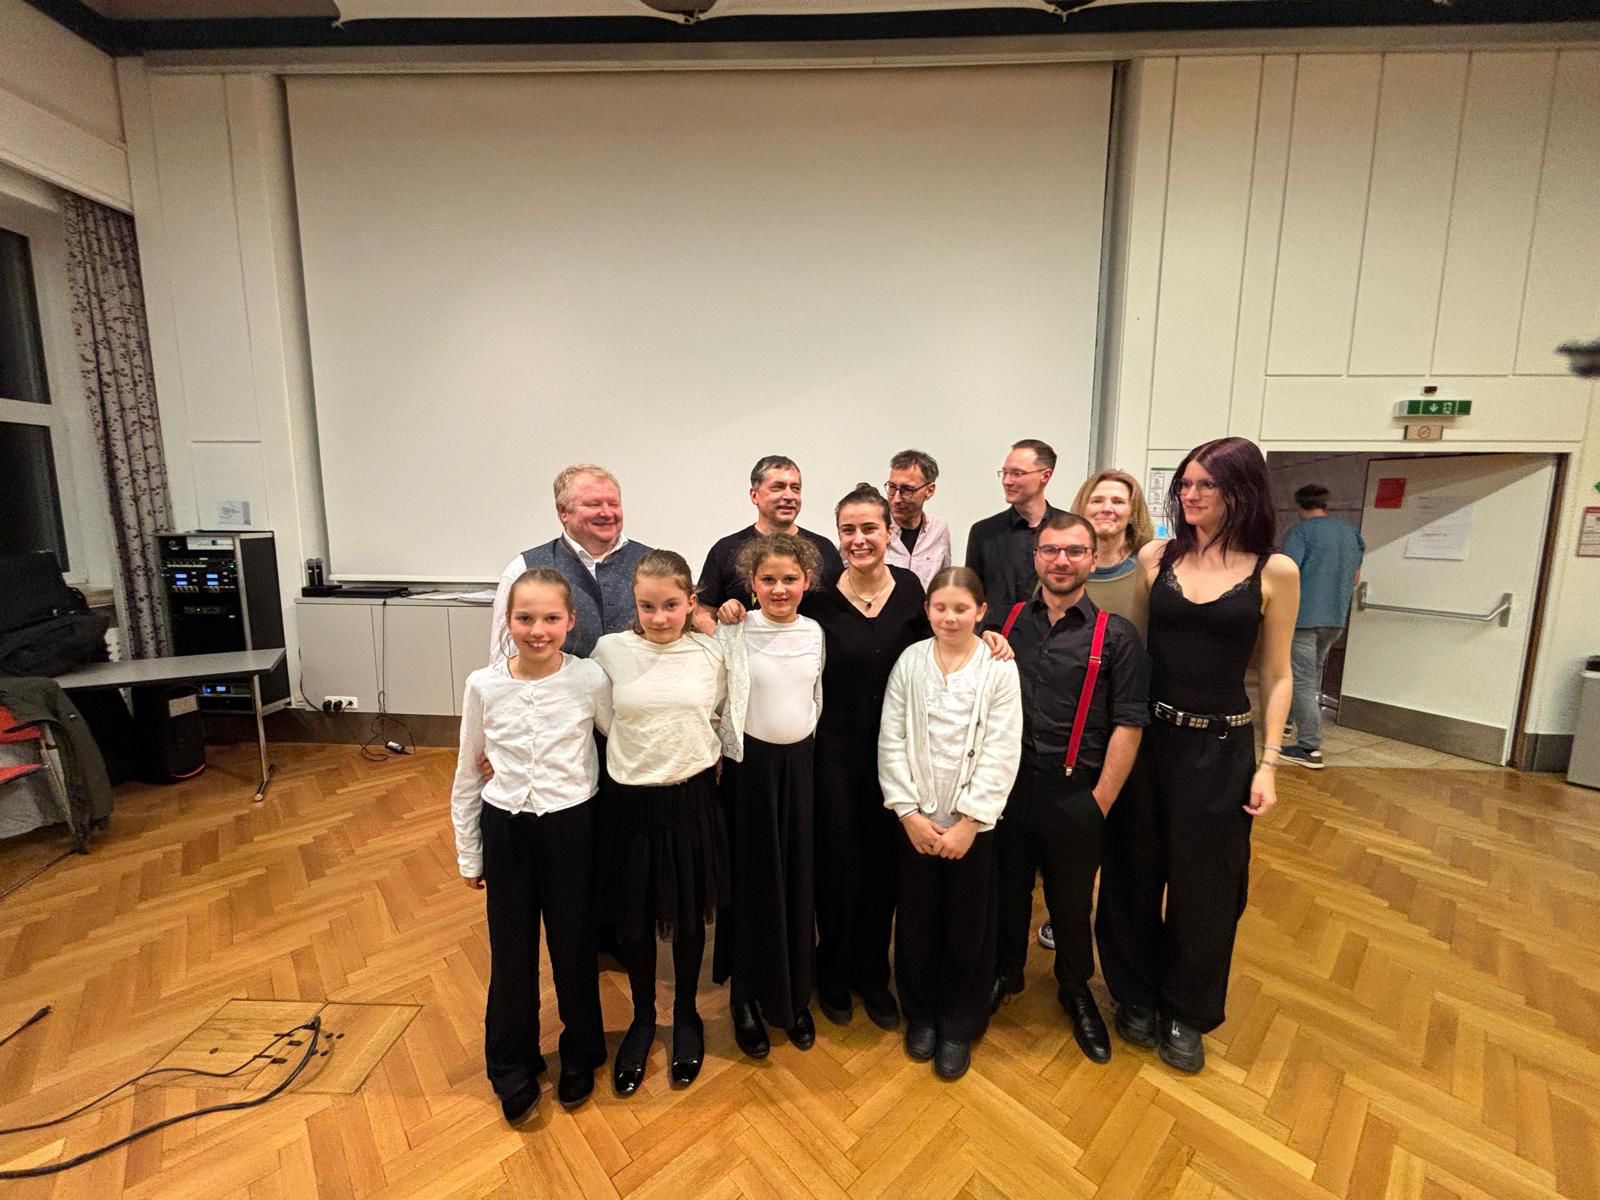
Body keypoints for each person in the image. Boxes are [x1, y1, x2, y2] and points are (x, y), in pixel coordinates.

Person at [1097, 437, 1298, 1075]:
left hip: (1221, 746)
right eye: (1184, 484)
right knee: (1131, 871)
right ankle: (1133, 993)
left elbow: (1277, 673)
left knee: (1207, 885)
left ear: (1241, 490)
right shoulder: (1156, 557)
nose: (1189, 495)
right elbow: (1132, 649)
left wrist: (1270, 764)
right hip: (1150, 738)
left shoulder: (1274, 571)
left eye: (1204, 484)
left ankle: (1187, 1009)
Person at [989, 514, 1149, 1065]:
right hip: (1008, 788)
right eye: (1051, 550)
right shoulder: (1004, 622)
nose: (1062, 561)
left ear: (1092, 559)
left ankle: (1075, 988)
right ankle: (1004, 972)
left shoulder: (1117, 636)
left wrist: (1099, 801)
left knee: (1072, 901)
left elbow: (1129, 723)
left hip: (1075, 791)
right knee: (1006, 891)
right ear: (1035, 557)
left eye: (1074, 551)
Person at [450, 568, 609, 1124]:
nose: (537, 630)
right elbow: (467, 771)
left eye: (550, 618)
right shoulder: (483, 685)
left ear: (570, 621)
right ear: (508, 622)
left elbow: (619, 740)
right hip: (507, 829)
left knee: (574, 946)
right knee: (511, 952)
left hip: (573, 827)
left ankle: (582, 1051)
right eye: (525, 618)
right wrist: (469, 851)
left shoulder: (590, 679)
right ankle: (510, 1063)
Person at [591, 550, 746, 1095]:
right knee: (635, 919)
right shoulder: (610, 651)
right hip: (631, 802)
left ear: (690, 602)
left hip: (692, 799)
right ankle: (641, 1017)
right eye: (647, 606)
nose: (659, 617)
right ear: (634, 604)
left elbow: (720, 714)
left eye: (671, 605)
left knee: (687, 916)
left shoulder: (710, 653)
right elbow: (604, 719)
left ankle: (685, 1015)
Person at [879, 567, 1021, 1081]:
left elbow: (1003, 747)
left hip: (970, 829)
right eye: (940, 607)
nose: (950, 617)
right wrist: (908, 812)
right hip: (917, 821)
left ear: (981, 611)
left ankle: (959, 1022)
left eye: (961, 608)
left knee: (968, 925)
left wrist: (970, 821)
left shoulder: (998, 669)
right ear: (927, 610)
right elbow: (891, 738)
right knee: (917, 921)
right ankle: (921, 1013)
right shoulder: (910, 662)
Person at [1033, 467, 1154, 956]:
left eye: (1118, 501)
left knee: (1106, 838)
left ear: (1132, 511)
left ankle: (1095, 940)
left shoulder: (1148, 569)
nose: (1107, 508)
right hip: (1064, 732)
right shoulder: (1056, 572)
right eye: (1098, 499)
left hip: (1120, 712)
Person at [713, 533, 825, 1060]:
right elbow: (718, 697)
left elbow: (814, 698)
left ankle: (793, 996)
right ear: (751, 584)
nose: (780, 589)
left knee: (797, 880)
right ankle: (746, 998)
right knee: (753, 884)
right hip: (749, 772)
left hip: (799, 770)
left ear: (807, 581)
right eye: (768, 579)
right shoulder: (736, 629)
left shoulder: (815, 631)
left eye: (790, 579)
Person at [490, 464, 652, 661]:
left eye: (613, 504)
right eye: (594, 504)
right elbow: (504, 660)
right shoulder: (524, 570)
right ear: (563, 512)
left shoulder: (653, 563)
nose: (607, 513)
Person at [1280, 484, 1364, 769]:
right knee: (1311, 675)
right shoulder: (1350, 533)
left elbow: (1286, 573)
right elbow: (1355, 576)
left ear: (1299, 505)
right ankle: (1287, 721)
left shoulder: (1300, 532)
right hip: (1335, 618)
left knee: (1301, 679)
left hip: (1304, 618)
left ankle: (1309, 746)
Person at [698, 455, 843, 609]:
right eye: (778, 487)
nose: (789, 496)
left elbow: (842, 607)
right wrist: (725, 620)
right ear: (754, 495)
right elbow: (703, 613)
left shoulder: (824, 549)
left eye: (795, 488)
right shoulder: (725, 550)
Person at [965, 439, 1063, 619]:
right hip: (996, 632)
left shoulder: (1070, 530)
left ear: (1045, 476)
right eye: (1005, 473)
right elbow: (972, 596)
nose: (1007, 481)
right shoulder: (983, 533)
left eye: (1017, 473)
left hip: (1057, 631)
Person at [884, 448, 952, 589]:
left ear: (929, 491)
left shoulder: (939, 529)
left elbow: (943, 584)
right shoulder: (875, 529)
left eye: (907, 490)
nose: (896, 499)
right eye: (892, 487)